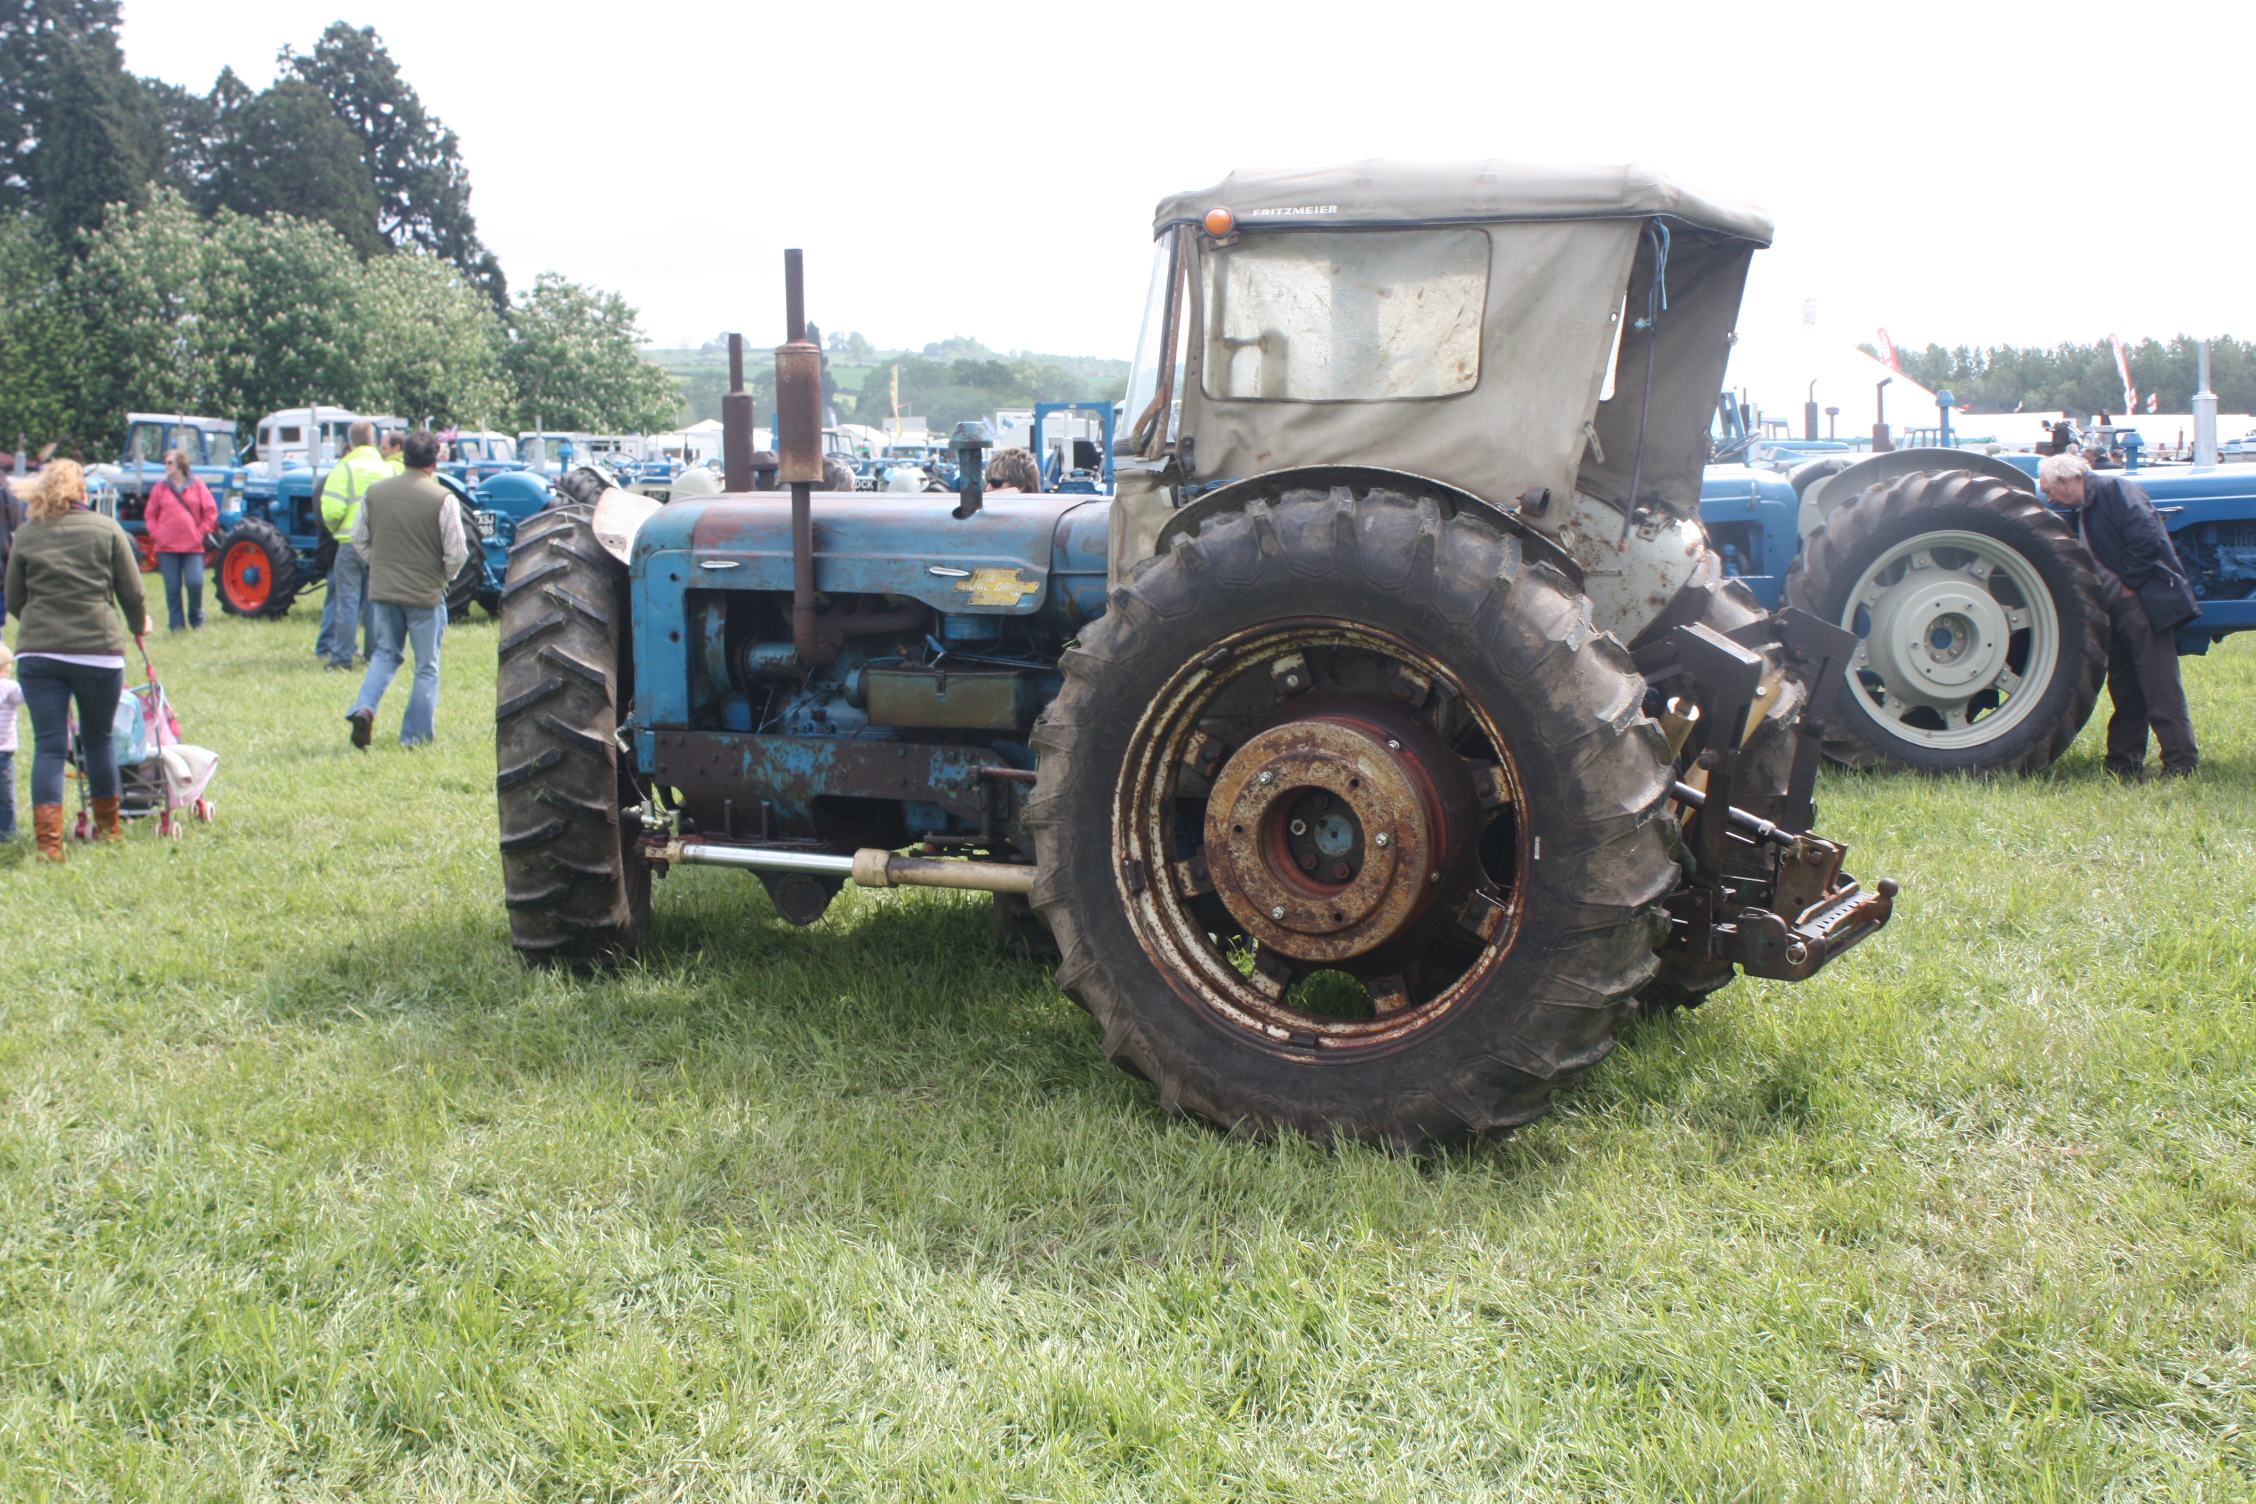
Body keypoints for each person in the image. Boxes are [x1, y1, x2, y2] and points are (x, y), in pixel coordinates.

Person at [3, 459, 151, 860]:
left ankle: (48, 845)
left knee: (50, 746)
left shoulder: (27, 535)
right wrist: (140, 624)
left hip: (38, 653)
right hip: (98, 651)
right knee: (98, 738)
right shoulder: (107, 529)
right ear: (82, 492)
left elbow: (14, 596)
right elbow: (132, 591)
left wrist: (37, 626)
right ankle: (109, 830)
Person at [2036, 452, 2201, 779]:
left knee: (2160, 689)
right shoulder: (2082, 509)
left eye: (2051, 490)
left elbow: (2147, 538)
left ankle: (2181, 765)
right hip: (2116, 609)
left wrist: (2130, 586)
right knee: (2125, 689)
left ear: (2069, 479)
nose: (2050, 497)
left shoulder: (2116, 492)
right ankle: (2122, 765)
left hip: (2140, 605)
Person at [345, 431, 467, 749]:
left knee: (385, 654)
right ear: (436, 459)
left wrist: (380, 565)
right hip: (425, 595)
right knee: (426, 666)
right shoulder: (443, 498)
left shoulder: (375, 492)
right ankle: (414, 737)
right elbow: (457, 552)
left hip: (384, 591)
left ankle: (364, 708)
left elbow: (357, 538)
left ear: (403, 456)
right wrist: (443, 578)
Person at [315, 421, 393, 671]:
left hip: (350, 544)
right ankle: (373, 655)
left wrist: (336, 529)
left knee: (347, 602)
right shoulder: (387, 470)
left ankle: (342, 658)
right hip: (379, 545)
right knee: (375, 603)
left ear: (350, 442)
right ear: (373, 440)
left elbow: (332, 510)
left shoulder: (344, 469)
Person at [145, 449, 218, 631]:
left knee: (195, 582)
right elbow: (150, 513)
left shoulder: (197, 485)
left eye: (169, 462)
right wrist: (157, 533)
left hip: (193, 546)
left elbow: (210, 511)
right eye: (165, 463)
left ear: (180, 465)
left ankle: (197, 618)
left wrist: (200, 531)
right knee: (172, 587)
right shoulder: (160, 488)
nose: (166, 466)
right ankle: (176, 626)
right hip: (166, 546)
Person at [0, 643, 21, 842]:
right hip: (3, 754)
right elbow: (28, 697)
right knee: (5, 800)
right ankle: (7, 835)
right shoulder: (8, 686)